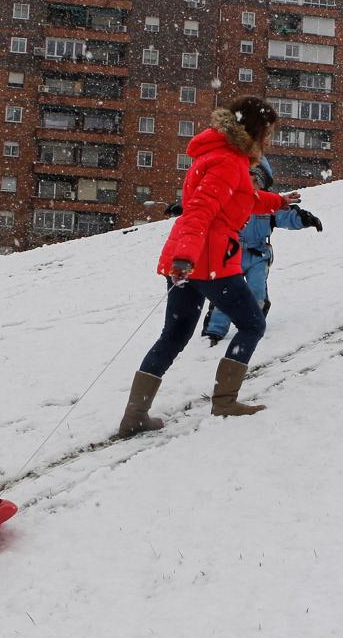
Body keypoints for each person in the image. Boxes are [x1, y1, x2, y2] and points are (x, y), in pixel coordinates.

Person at [117, 96, 301, 438]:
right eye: (269, 132)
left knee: (174, 335)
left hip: (189, 259)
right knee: (252, 324)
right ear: (255, 130)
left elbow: (242, 195)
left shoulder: (217, 155)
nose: (269, 140)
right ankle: (225, 402)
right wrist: (186, 258)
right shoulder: (230, 162)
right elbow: (199, 210)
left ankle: (135, 415)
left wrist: (279, 201)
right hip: (208, 259)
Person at [200, 157, 323, 346]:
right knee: (226, 292)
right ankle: (215, 330)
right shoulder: (231, 198)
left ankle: (252, 323)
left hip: (258, 255)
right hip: (231, 254)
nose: (252, 185)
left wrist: (306, 219)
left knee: (256, 290)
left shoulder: (269, 203)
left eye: (257, 181)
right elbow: (205, 208)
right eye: (248, 179)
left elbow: (287, 216)